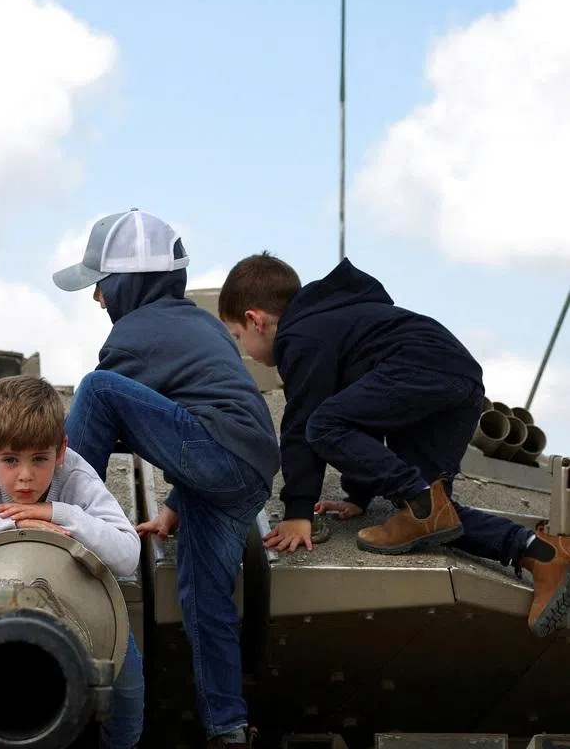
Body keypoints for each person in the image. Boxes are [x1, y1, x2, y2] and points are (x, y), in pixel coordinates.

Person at [217, 252, 570, 637]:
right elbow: (363, 415)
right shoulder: (336, 321)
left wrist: (298, 511)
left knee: (322, 425)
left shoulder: (300, 336)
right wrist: (360, 494)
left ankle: (418, 500)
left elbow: (304, 423)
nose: (244, 349)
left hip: (421, 370)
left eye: (238, 337)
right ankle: (539, 553)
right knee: (437, 520)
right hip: (457, 379)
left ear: (255, 319)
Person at [53, 209, 280, 748]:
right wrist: (178, 501)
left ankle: (55, 516)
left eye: (101, 285)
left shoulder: (133, 335)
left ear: (128, 283)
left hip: (216, 451)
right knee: (206, 600)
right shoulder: (199, 322)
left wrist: (60, 487)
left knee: (99, 389)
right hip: (245, 470)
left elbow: (114, 414)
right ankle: (226, 727)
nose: (96, 299)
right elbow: (211, 404)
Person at [0, 374, 144, 749]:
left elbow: (127, 553)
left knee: (128, 684)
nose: (25, 475)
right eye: (10, 460)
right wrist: (12, 517)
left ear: (61, 449)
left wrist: (58, 512)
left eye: (40, 458)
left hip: (76, 600)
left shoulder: (74, 473)